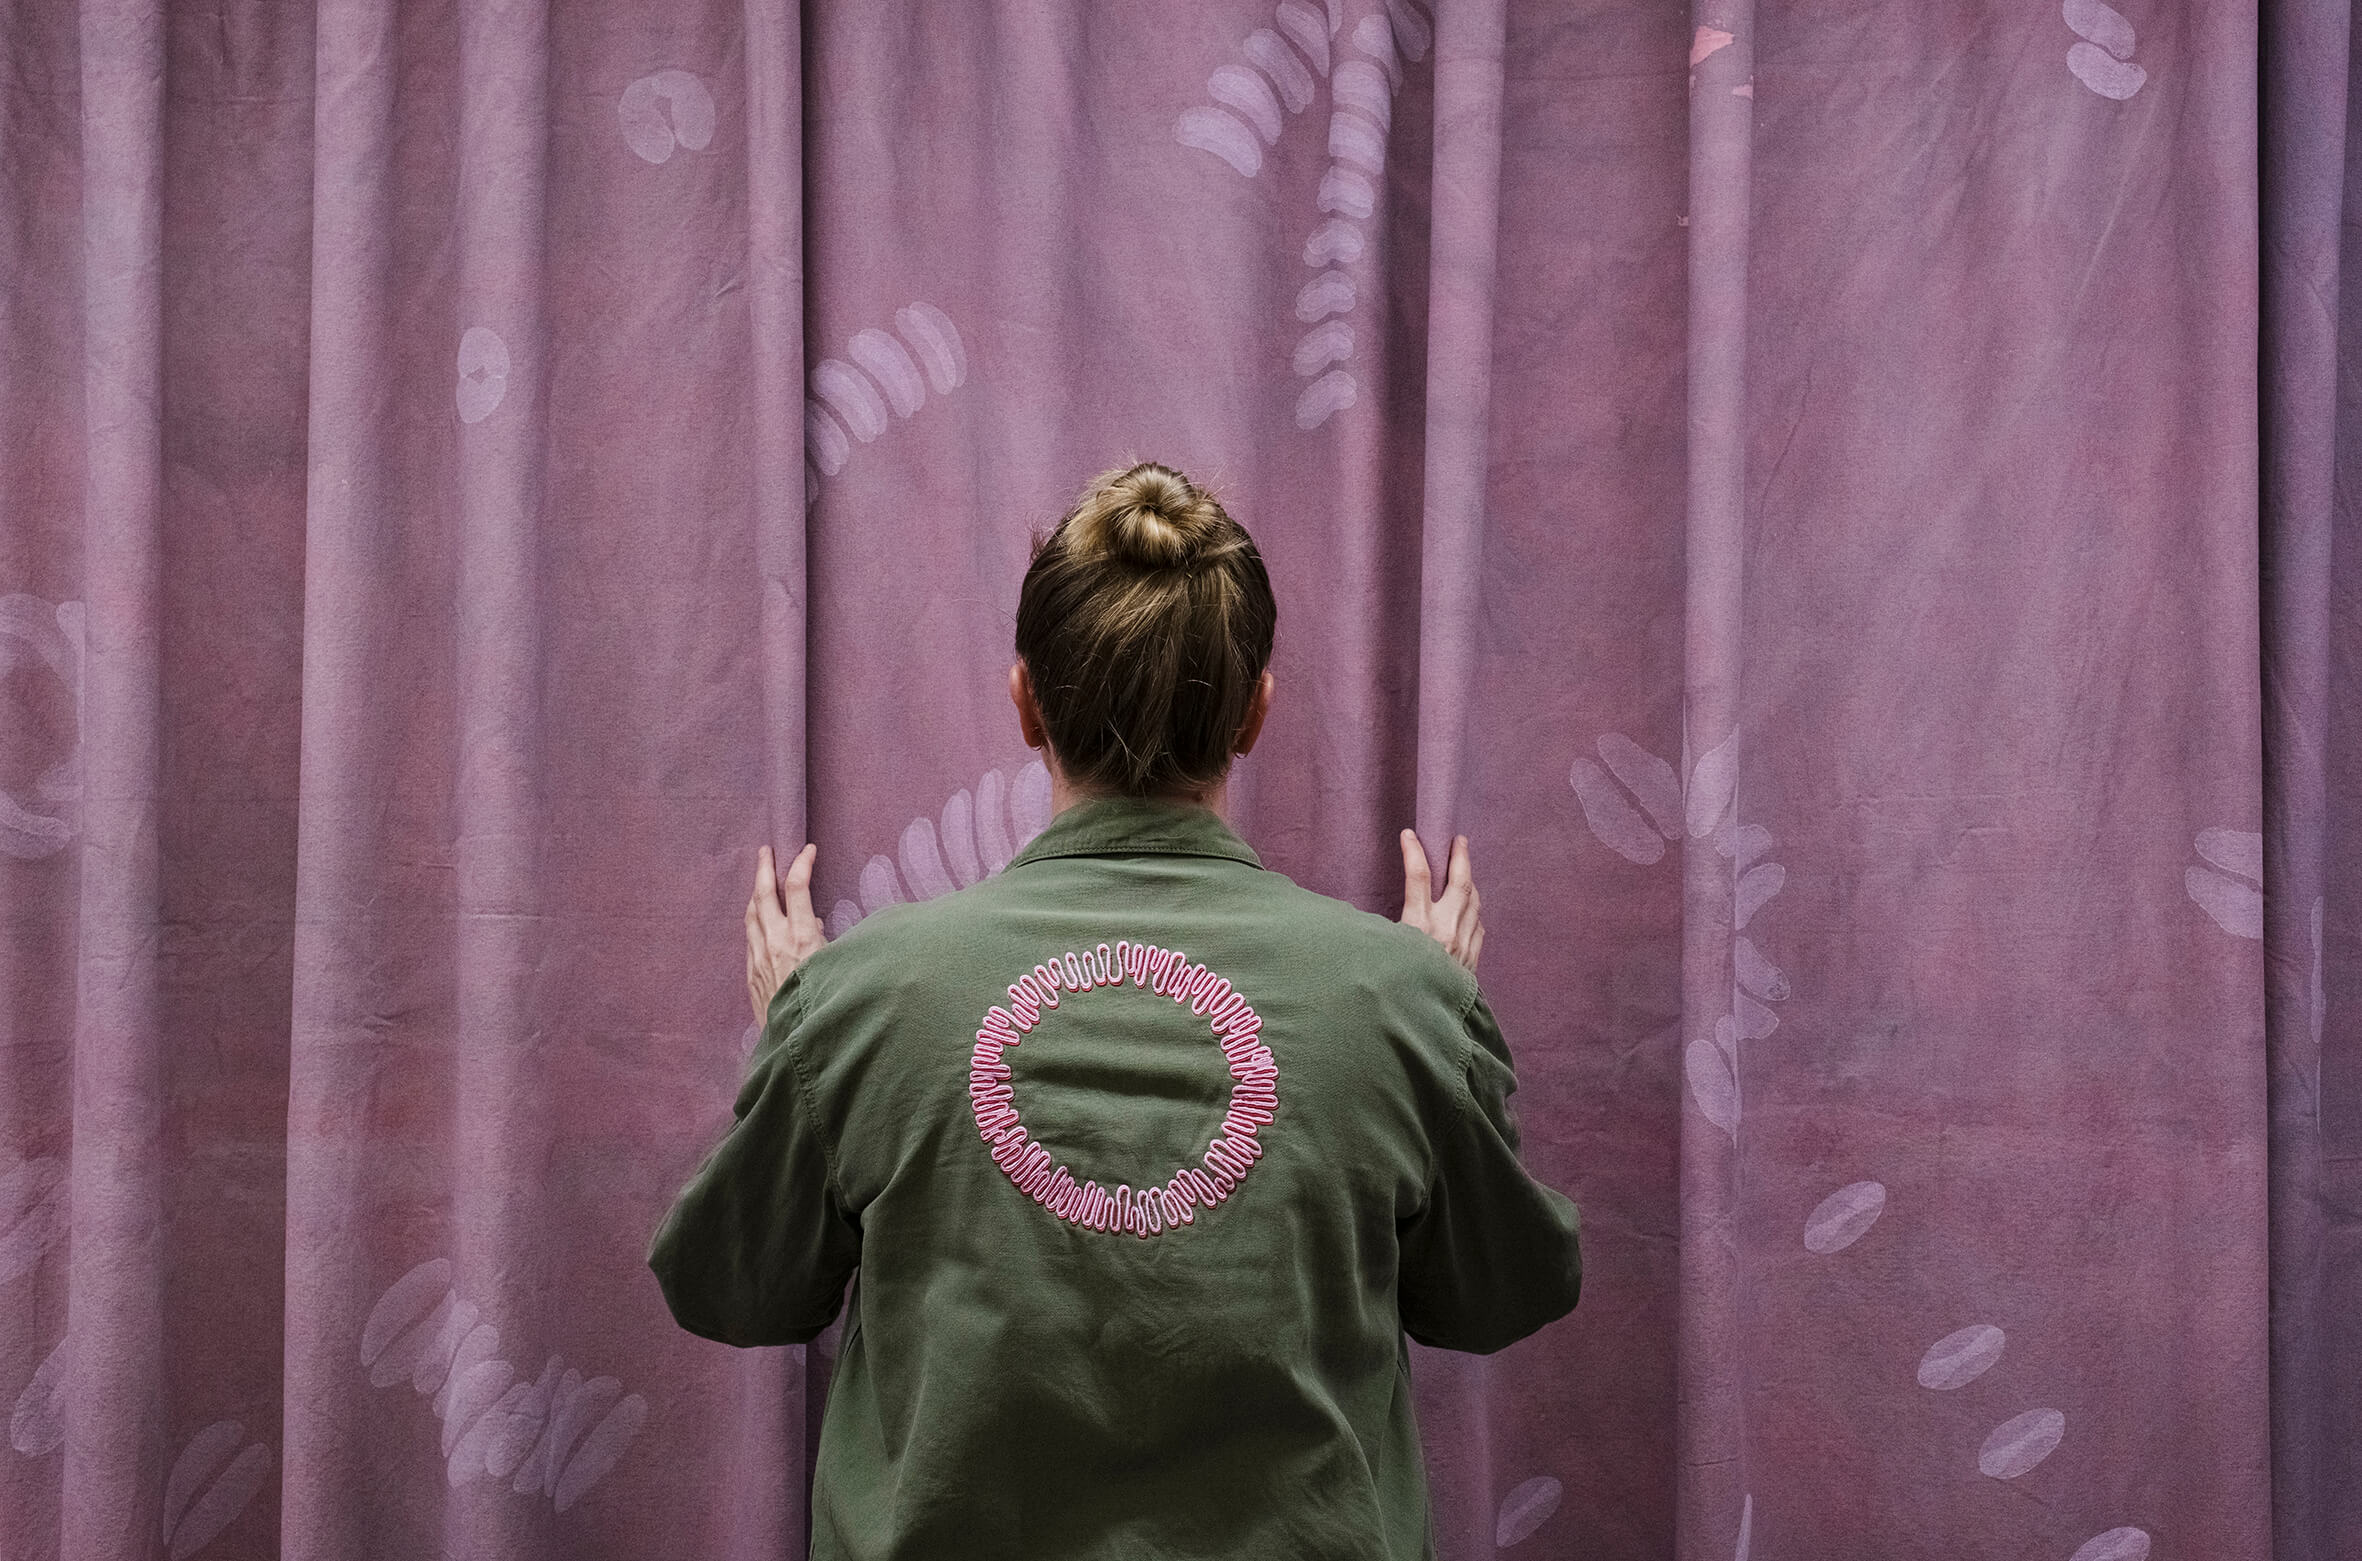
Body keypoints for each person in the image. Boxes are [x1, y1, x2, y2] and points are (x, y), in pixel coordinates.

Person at [647, 462, 1582, 1560]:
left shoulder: (861, 998)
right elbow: (1495, 1297)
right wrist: (1439, 1028)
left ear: (1024, 701)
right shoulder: (1400, 1001)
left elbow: (734, 1291)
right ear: (1255, 710)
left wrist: (798, 1032)